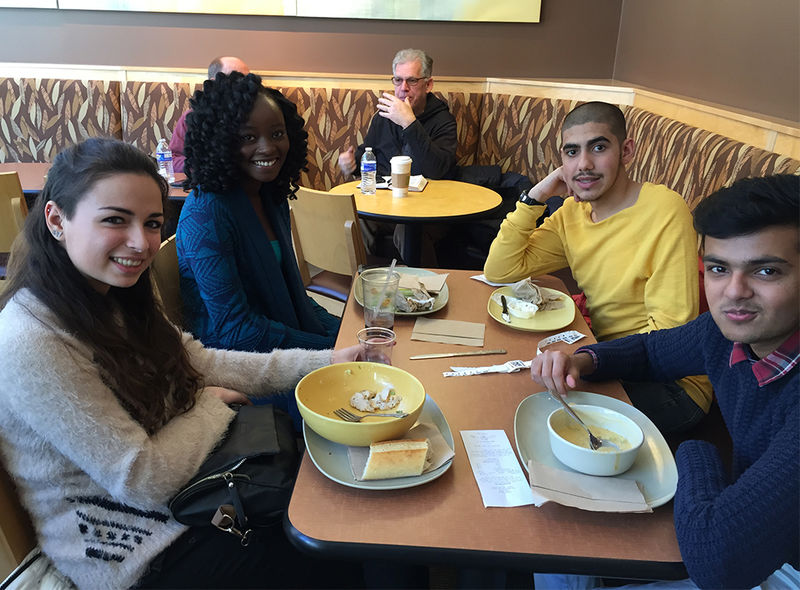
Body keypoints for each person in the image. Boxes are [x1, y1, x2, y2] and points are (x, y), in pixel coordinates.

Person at [0, 137, 366, 589]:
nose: (140, 243)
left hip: (193, 494)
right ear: (57, 219)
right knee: (343, 548)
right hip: (135, 554)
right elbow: (142, 477)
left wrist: (330, 362)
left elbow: (203, 360)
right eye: (115, 220)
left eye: (152, 223)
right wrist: (211, 406)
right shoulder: (31, 340)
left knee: (347, 509)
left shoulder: (112, 295)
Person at [530, 174, 799, 590]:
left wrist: (696, 452)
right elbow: (652, 351)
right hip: (746, 529)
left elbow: (719, 562)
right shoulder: (723, 332)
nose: (733, 292)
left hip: (774, 567)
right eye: (718, 268)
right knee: (552, 534)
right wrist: (583, 359)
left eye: (765, 271)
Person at [484, 101, 711, 434]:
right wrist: (534, 198)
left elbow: (669, 335)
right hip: (599, 357)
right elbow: (500, 270)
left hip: (672, 384)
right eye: (571, 153)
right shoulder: (570, 215)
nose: (584, 164)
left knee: (538, 420)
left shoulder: (665, 210)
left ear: (627, 150)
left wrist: (586, 359)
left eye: (599, 147)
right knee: (509, 398)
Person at [178, 72, 340, 358]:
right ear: (220, 142)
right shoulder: (205, 214)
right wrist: (330, 350)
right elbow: (236, 332)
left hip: (275, 342)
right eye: (248, 137)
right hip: (235, 362)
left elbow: (294, 296)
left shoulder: (269, 194)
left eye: (277, 134)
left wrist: (347, 333)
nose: (268, 147)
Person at [337, 48, 458, 261]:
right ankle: (360, 281)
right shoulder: (382, 116)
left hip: (428, 207)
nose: (403, 89)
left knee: (408, 227)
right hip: (385, 202)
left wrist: (409, 123)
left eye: (412, 81)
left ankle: (420, 289)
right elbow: (369, 152)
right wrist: (352, 163)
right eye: (398, 80)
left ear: (428, 84)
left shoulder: (443, 120)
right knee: (356, 215)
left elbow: (438, 170)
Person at [169, 56, 250, 173]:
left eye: (247, 79)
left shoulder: (257, 115)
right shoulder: (193, 118)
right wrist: (207, 166)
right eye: (235, 79)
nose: (245, 86)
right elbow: (173, 159)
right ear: (213, 83)